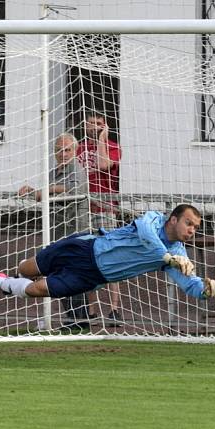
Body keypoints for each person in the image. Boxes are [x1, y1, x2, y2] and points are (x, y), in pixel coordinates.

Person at [0, 204, 215, 310]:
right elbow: (146, 236)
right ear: (173, 219)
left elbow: (189, 284)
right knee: (28, 268)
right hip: (86, 247)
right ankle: (12, 276)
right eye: (189, 223)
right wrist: (168, 258)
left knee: (36, 289)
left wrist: (205, 290)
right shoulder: (153, 219)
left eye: (196, 228)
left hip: (92, 275)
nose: (192, 230)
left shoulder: (179, 254)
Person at [18, 132, 93, 328]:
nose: (63, 153)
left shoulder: (76, 170)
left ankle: (80, 318)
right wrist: (33, 191)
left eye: (67, 150)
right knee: (61, 274)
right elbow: (45, 195)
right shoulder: (54, 172)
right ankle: (71, 317)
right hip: (59, 232)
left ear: (75, 151)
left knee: (75, 275)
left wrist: (49, 189)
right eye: (59, 150)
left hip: (76, 232)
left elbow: (75, 190)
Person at [77, 112, 123, 323]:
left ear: (105, 126)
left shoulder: (112, 146)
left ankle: (114, 308)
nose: (94, 127)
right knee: (87, 257)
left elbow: (104, 165)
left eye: (99, 124)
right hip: (83, 209)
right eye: (91, 123)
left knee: (111, 257)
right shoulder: (78, 147)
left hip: (105, 208)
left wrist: (103, 139)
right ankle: (91, 308)